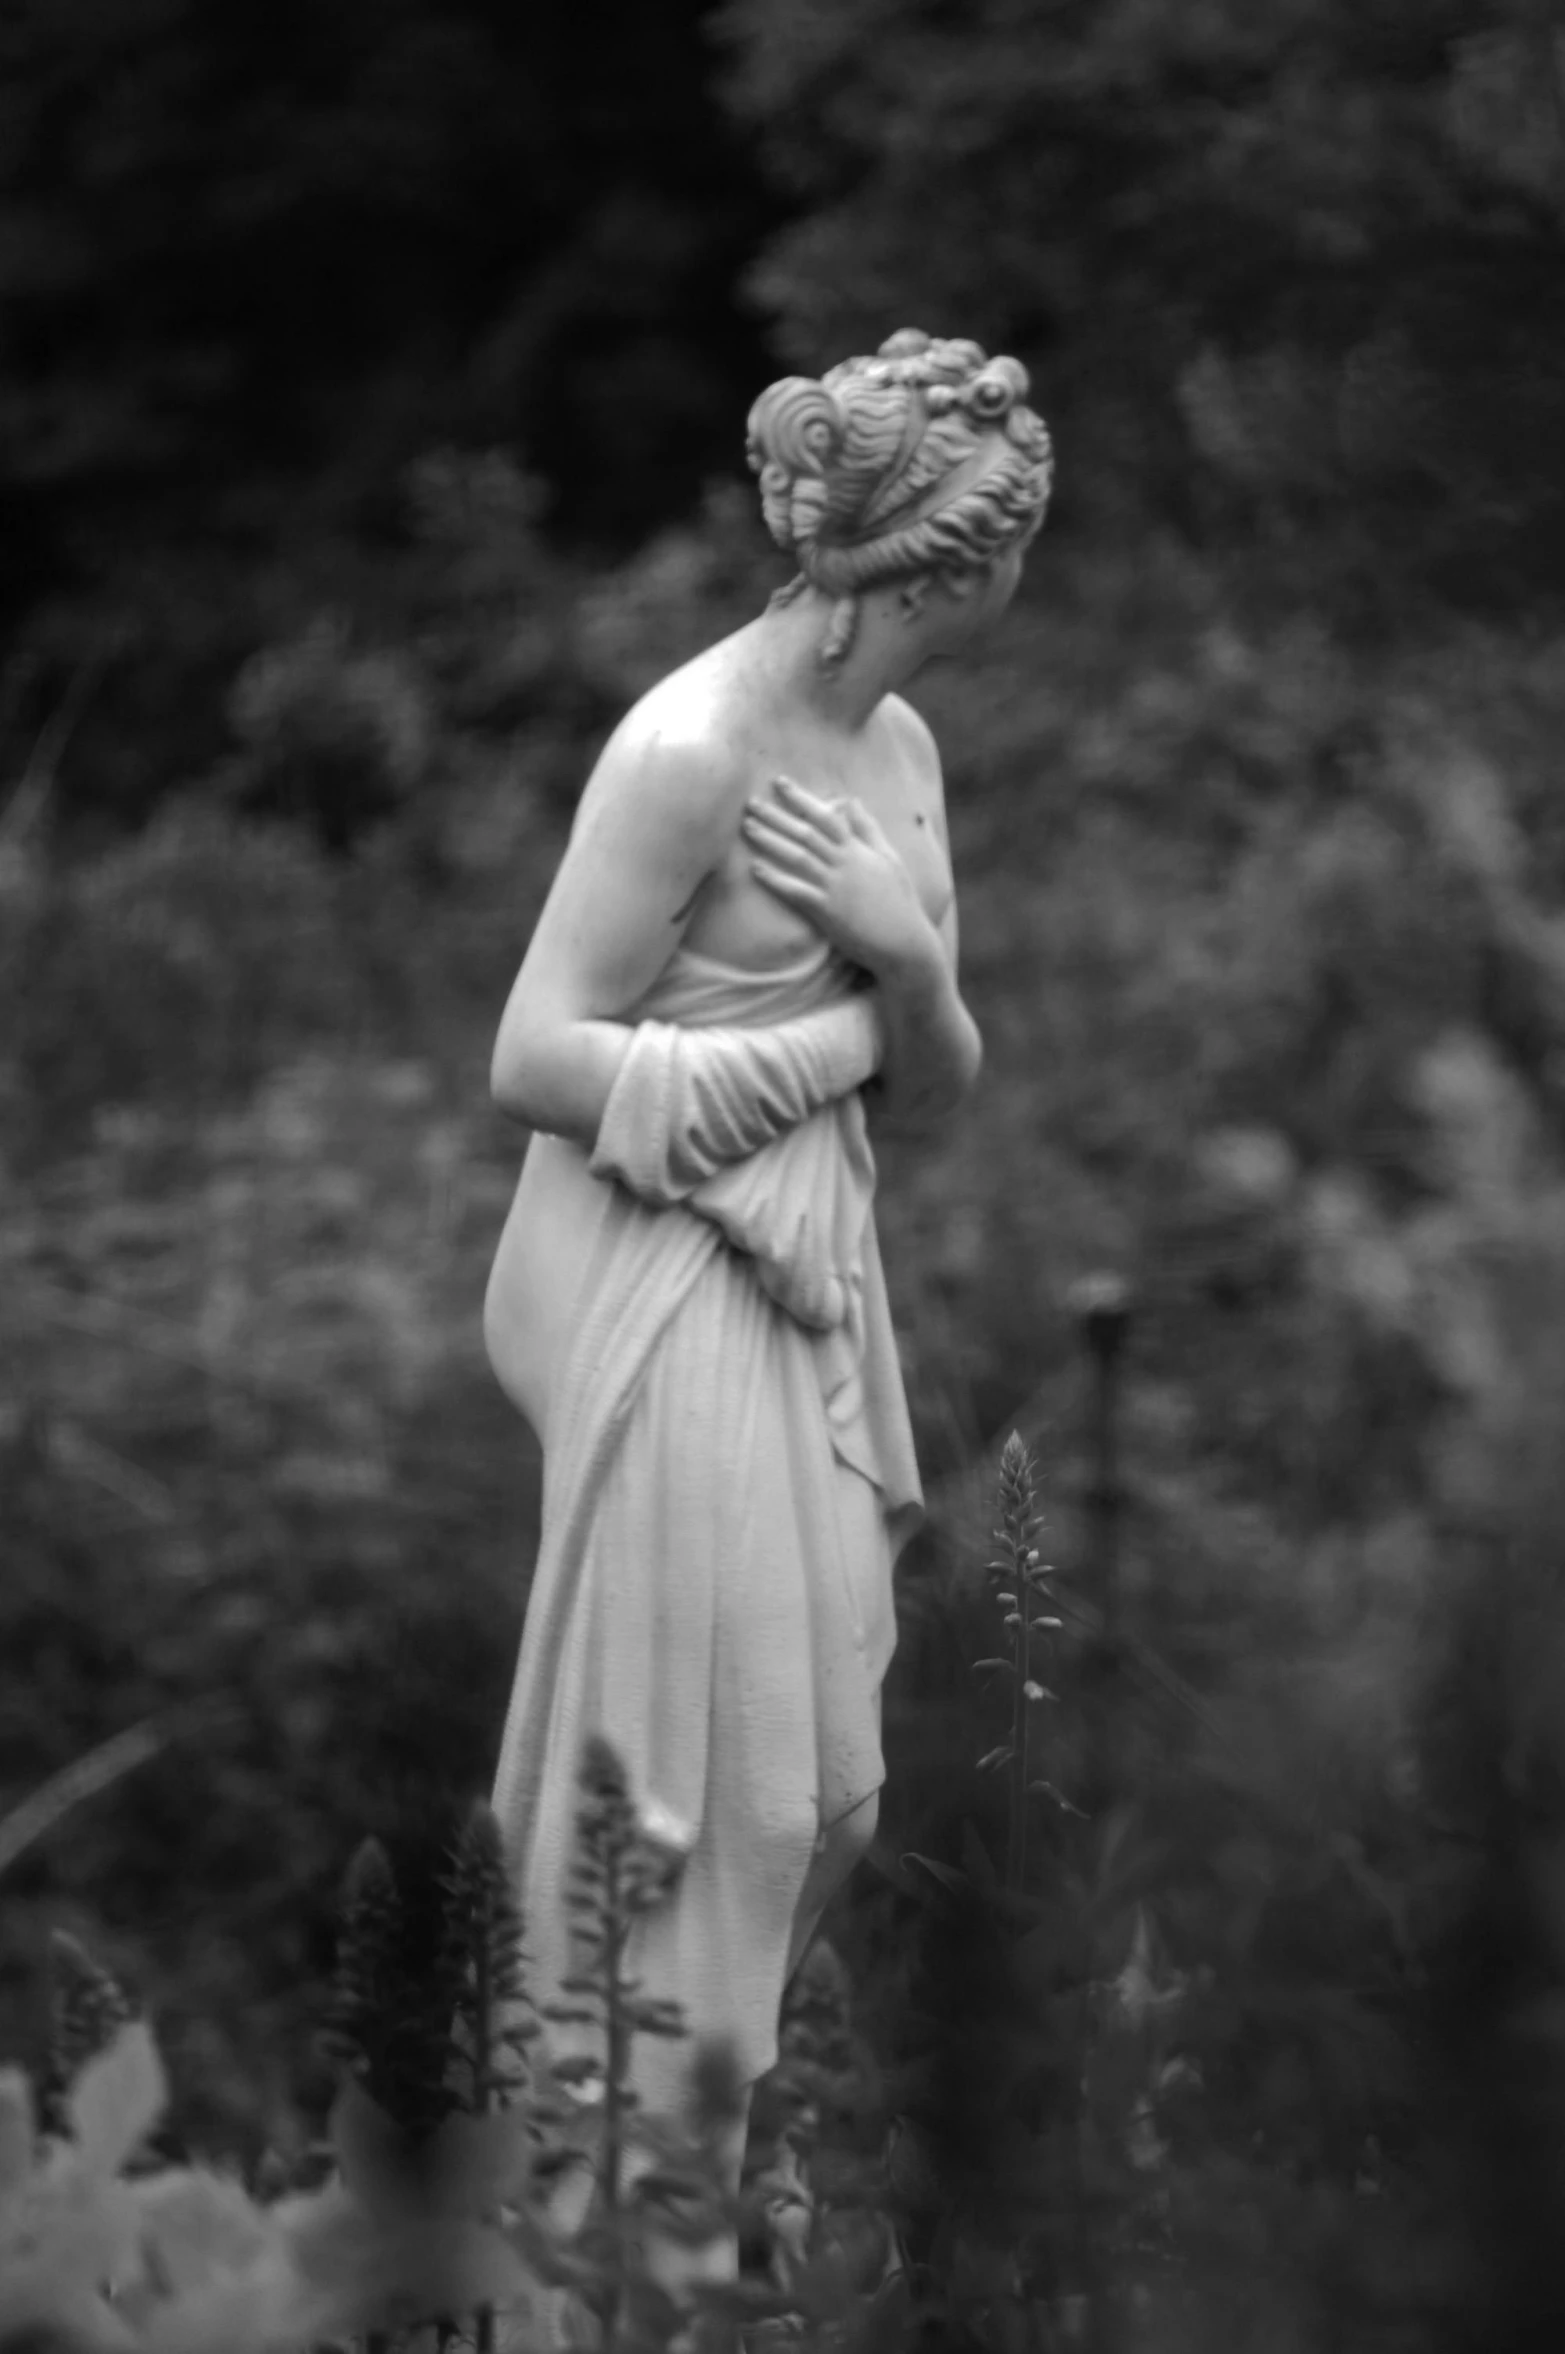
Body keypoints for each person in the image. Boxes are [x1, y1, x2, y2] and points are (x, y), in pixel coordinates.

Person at [484, 330, 1053, 2168]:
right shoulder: (690, 749)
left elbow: (937, 1087)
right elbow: (532, 1055)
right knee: (697, 1798)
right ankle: (617, 2210)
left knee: (827, 1797)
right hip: (667, 1287)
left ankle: (708, 2178)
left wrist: (907, 958)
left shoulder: (901, 752)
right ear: (963, 561)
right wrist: (827, 1043)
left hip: (814, 1293)